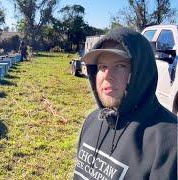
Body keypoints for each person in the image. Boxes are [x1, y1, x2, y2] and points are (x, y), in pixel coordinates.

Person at [74, 27, 177, 179]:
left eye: (120, 66)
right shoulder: (92, 120)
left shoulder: (169, 142)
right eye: (102, 66)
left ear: (141, 72)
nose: (107, 76)